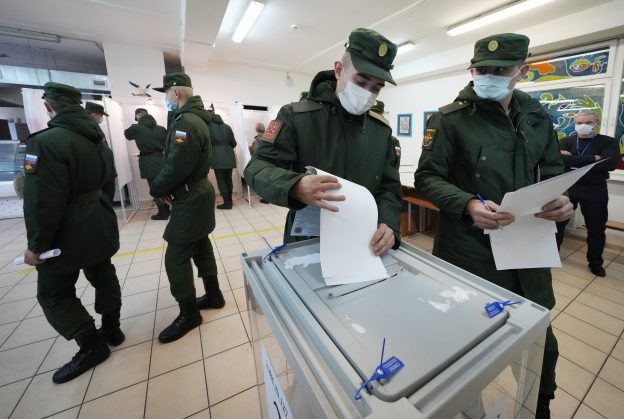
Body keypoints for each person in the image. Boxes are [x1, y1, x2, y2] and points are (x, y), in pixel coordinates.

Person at [413, 33, 574, 418]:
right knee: (467, 342)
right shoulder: (450, 119)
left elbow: (552, 170)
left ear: (523, 70)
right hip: (470, 249)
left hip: (527, 248)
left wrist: (562, 199)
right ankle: (469, 409)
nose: (488, 77)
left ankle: (538, 405)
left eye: (500, 71)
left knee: (539, 342)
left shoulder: (536, 117)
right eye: (481, 69)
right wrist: (467, 204)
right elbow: (427, 178)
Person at [244, 28, 402, 255]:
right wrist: (294, 185)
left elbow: (389, 188)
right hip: (308, 241)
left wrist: (388, 223)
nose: (368, 93)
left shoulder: (381, 131)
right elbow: (257, 168)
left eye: (376, 87)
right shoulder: (296, 117)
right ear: (339, 70)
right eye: (361, 81)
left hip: (363, 242)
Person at [22, 82, 124, 383]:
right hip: (99, 219)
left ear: (48, 105)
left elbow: (42, 200)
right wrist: (97, 207)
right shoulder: (98, 140)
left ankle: (91, 345)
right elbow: (109, 182)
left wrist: (37, 245)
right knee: (103, 273)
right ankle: (112, 329)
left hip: (66, 229)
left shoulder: (45, 142)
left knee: (53, 293)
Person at [151, 73, 224, 343]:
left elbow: (177, 164)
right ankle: (214, 295)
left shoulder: (186, 123)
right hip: (198, 191)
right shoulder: (195, 118)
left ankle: (189, 313)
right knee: (201, 244)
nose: (166, 99)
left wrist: (157, 188)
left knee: (176, 257)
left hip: (191, 195)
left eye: (166, 94)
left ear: (176, 93)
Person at [556, 110, 620, 276]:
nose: (583, 125)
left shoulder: (608, 142)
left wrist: (573, 160)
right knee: (558, 224)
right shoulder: (566, 141)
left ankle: (595, 263)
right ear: (575, 124)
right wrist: (593, 159)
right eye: (579, 122)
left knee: (596, 228)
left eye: (589, 122)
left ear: (597, 124)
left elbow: (610, 164)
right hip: (568, 187)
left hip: (595, 189)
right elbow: (560, 161)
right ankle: (552, 256)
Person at [124, 108, 169, 220]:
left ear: (137, 116)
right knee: (165, 186)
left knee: (155, 188)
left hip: (148, 161)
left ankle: (163, 212)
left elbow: (127, 135)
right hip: (163, 159)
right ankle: (167, 209)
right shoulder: (161, 129)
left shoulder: (136, 128)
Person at [85, 101, 117, 202]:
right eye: (100, 115)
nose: (101, 118)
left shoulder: (93, 126)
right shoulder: (88, 126)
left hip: (105, 171)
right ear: (94, 114)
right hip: (100, 173)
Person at [209, 112, 237, 210]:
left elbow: (209, 142)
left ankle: (227, 203)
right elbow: (234, 143)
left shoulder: (209, 127)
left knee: (221, 180)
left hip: (217, 156)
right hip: (229, 155)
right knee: (228, 179)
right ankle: (230, 200)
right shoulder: (227, 127)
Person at [370, 100, 401, 169]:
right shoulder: (362, 138)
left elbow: (395, 165)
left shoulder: (393, 141)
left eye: (378, 114)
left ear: (382, 116)